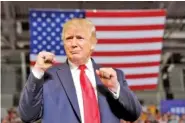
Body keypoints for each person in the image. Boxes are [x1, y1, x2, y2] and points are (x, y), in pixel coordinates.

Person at [18, 18, 141, 123]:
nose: (73, 44)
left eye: (80, 38)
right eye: (69, 38)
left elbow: (133, 114)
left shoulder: (114, 76)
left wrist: (115, 87)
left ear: (93, 43)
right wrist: (38, 71)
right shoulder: (48, 77)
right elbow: (27, 116)